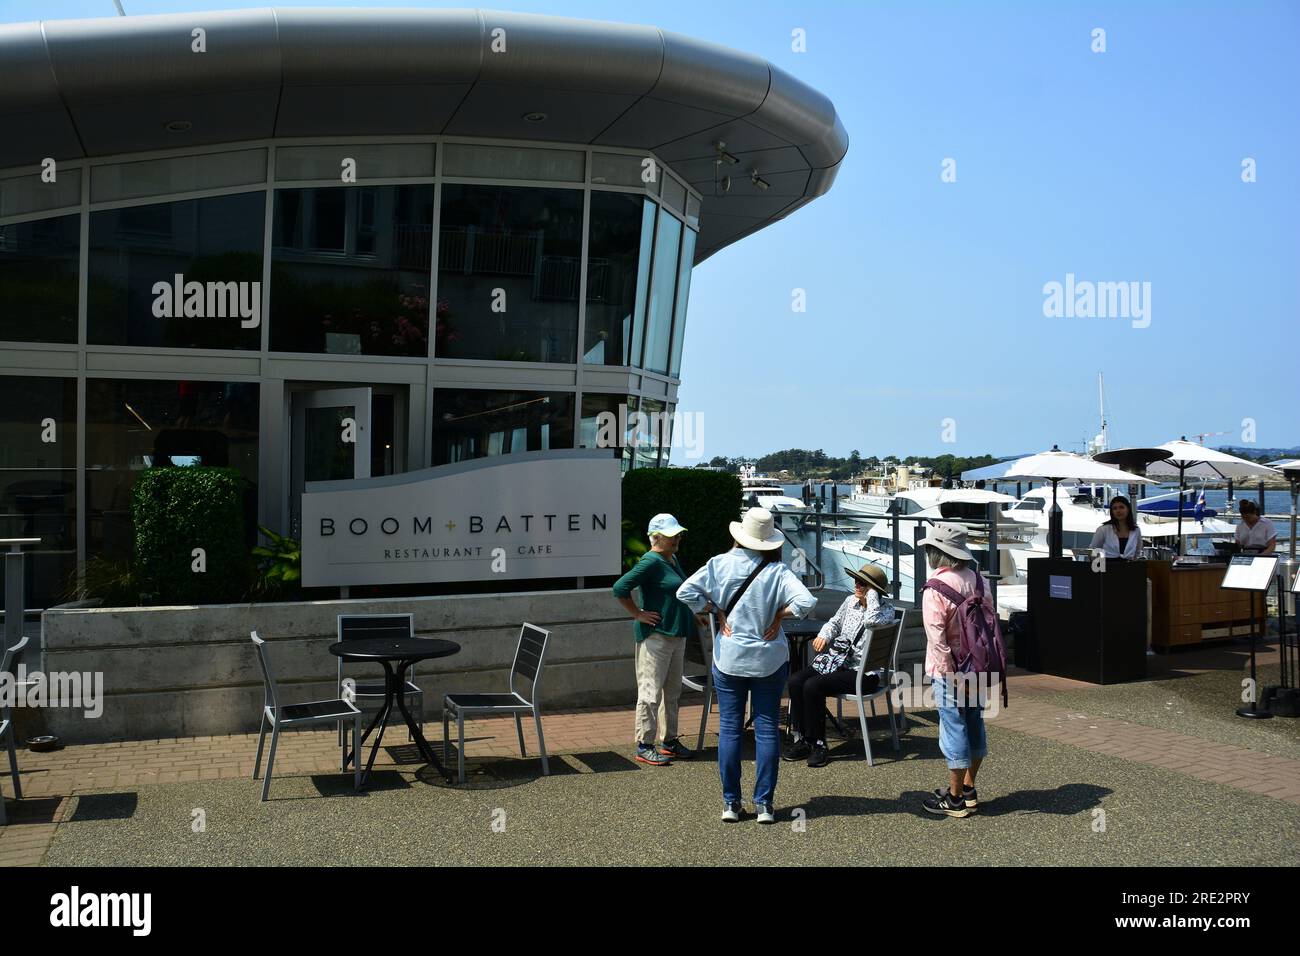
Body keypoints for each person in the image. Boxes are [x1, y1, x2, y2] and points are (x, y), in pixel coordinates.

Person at [677, 507, 815, 824]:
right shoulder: (778, 572)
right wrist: (780, 615)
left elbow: (685, 591)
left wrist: (712, 608)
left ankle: (731, 803)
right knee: (767, 730)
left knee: (729, 730)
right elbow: (806, 603)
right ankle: (764, 805)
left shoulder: (720, 564)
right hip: (769, 659)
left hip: (730, 658)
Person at [783, 563, 895, 767]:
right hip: (838, 663)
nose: (857, 585)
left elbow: (871, 622)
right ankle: (803, 739)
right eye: (857, 580)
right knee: (796, 680)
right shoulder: (849, 602)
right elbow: (834, 622)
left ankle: (818, 744)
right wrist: (824, 635)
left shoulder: (886, 611)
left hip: (866, 674)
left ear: (875, 590)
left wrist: (871, 598)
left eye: (864, 584)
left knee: (813, 686)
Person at [611, 513, 698, 766]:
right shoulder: (650, 561)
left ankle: (669, 741)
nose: (677, 538)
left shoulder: (671, 558)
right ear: (656, 537)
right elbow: (620, 588)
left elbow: (680, 592)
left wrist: (694, 615)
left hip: (675, 634)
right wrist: (638, 614)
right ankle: (644, 744)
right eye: (672, 535)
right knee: (650, 692)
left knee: (672, 692)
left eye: (678, 534)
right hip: (657, 637)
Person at [917, 522, 986, 819]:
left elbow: (938, 639)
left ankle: (955, 798)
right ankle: (969, 788)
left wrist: (951, 677)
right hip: (979, 666)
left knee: (953, 728)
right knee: (974, 724)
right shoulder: (977, 579)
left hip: (950, 671)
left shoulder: (936, 589)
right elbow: (988, 624)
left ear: (936, 552)